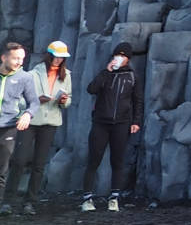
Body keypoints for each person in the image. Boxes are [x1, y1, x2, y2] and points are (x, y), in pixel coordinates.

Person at [11, 41, 72, 213]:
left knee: (39, 164)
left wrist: (64, 101)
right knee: (19, 160)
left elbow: (69, 101)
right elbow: (20, 100)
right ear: (49, 55)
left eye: (62, 57)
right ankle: (7, 199)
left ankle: (29, 201)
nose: (58, 60)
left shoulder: (66, 75)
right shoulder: (32, 74)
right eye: (56, 56)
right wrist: (37, 99)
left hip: (50, 123)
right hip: (30, 121)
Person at [80, 43, 142, 212]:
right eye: (117, 55)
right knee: (94, 159)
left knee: (118, 161)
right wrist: (107, 71)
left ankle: (114, 198)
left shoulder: (132, 76)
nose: (119, 58)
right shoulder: (105, 74)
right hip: (100, 123)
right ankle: (87, 198)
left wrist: (136, 121)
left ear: (128, 59)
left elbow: (137, 100)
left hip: (121, 124)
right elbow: (91, 89)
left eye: (123, 56)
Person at [0, 43, 33, 215]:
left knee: (2, 168)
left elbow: (33, 102)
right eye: (15, 58)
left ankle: (2, 203)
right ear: (4, 58)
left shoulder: (25, 77)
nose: (19, 62)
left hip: (8, 127)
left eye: (22, 58)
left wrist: (28, 114)